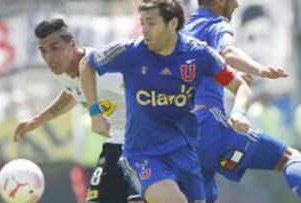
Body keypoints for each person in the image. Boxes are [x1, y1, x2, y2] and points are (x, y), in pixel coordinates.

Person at [79, 0, 252, 202]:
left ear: (173, 23)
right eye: (142, 23)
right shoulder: (130, 51)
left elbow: (239, 86)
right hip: (142, 155)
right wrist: (95, 113)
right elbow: (86, 64)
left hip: (184, 155)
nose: (144, 30)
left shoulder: (199, 54)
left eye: (151, 23)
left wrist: (238, 112)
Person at [13, 19, 143, 203]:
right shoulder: (66, 71)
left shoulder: (104, 69)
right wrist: (36, 121)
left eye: (54, 48)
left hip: (142, 144)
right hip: (116, 144)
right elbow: (71, 94)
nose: (49, 57)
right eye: (43, 51)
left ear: (72, 44)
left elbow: (144, 87)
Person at [184, 0, 301, 202]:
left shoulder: (183, 32)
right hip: (210, 129)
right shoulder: (216, 24)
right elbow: (228, 51)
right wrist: (260, 69)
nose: (237, 5)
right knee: (291, 158)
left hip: (183, 136)